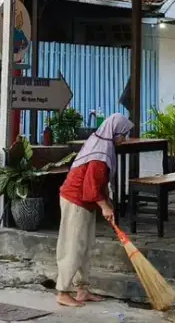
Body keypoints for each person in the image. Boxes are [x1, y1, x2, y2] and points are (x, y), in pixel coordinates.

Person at [56, 113, 133, 307]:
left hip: (85, 202)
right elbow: (90, 188)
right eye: (124, 134)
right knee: (72, 246)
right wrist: (104, 206)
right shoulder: (100, 154)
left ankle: (82, 289)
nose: (125, 139)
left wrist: (108, 203)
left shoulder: (101, 143)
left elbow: (98, 185)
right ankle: (62, 291)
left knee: (86, 246)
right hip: (75, 200)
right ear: (115, 133)